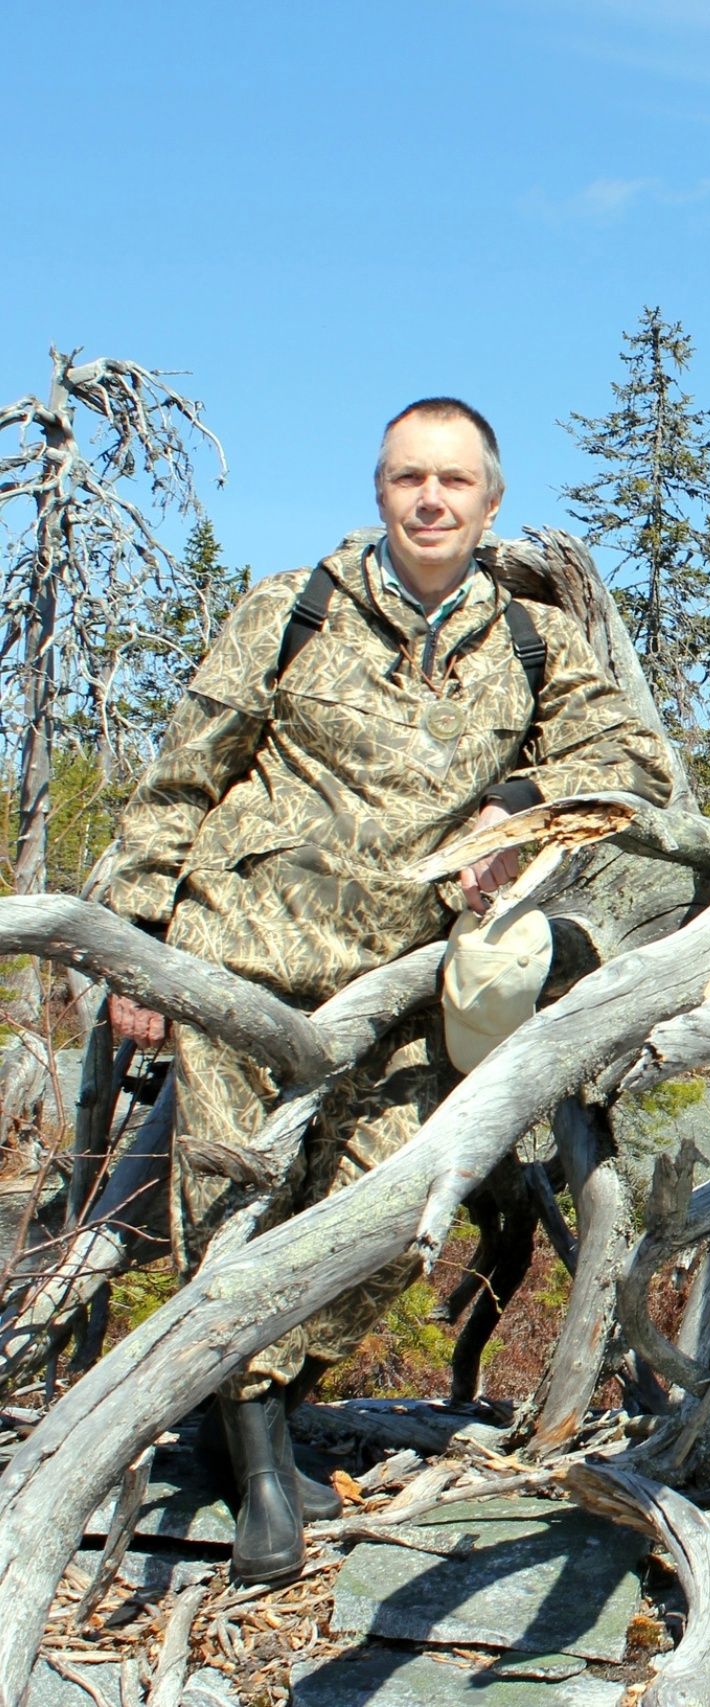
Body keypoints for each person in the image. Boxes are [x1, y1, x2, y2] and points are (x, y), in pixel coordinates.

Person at [106, 398, 675, 1583]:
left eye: (454, 482)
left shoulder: (529, 640)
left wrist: (520, 811)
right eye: (410, 478)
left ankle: (249, 1412)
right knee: (229, 1212)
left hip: (405, 983)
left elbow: (632, 764)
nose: (432, 500)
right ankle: (261, 1466)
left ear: (491, 501)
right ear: (379, 490)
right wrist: (135, 952)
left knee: (393, 1219)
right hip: (239, 961)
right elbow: (179, 780)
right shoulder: (290, 612)